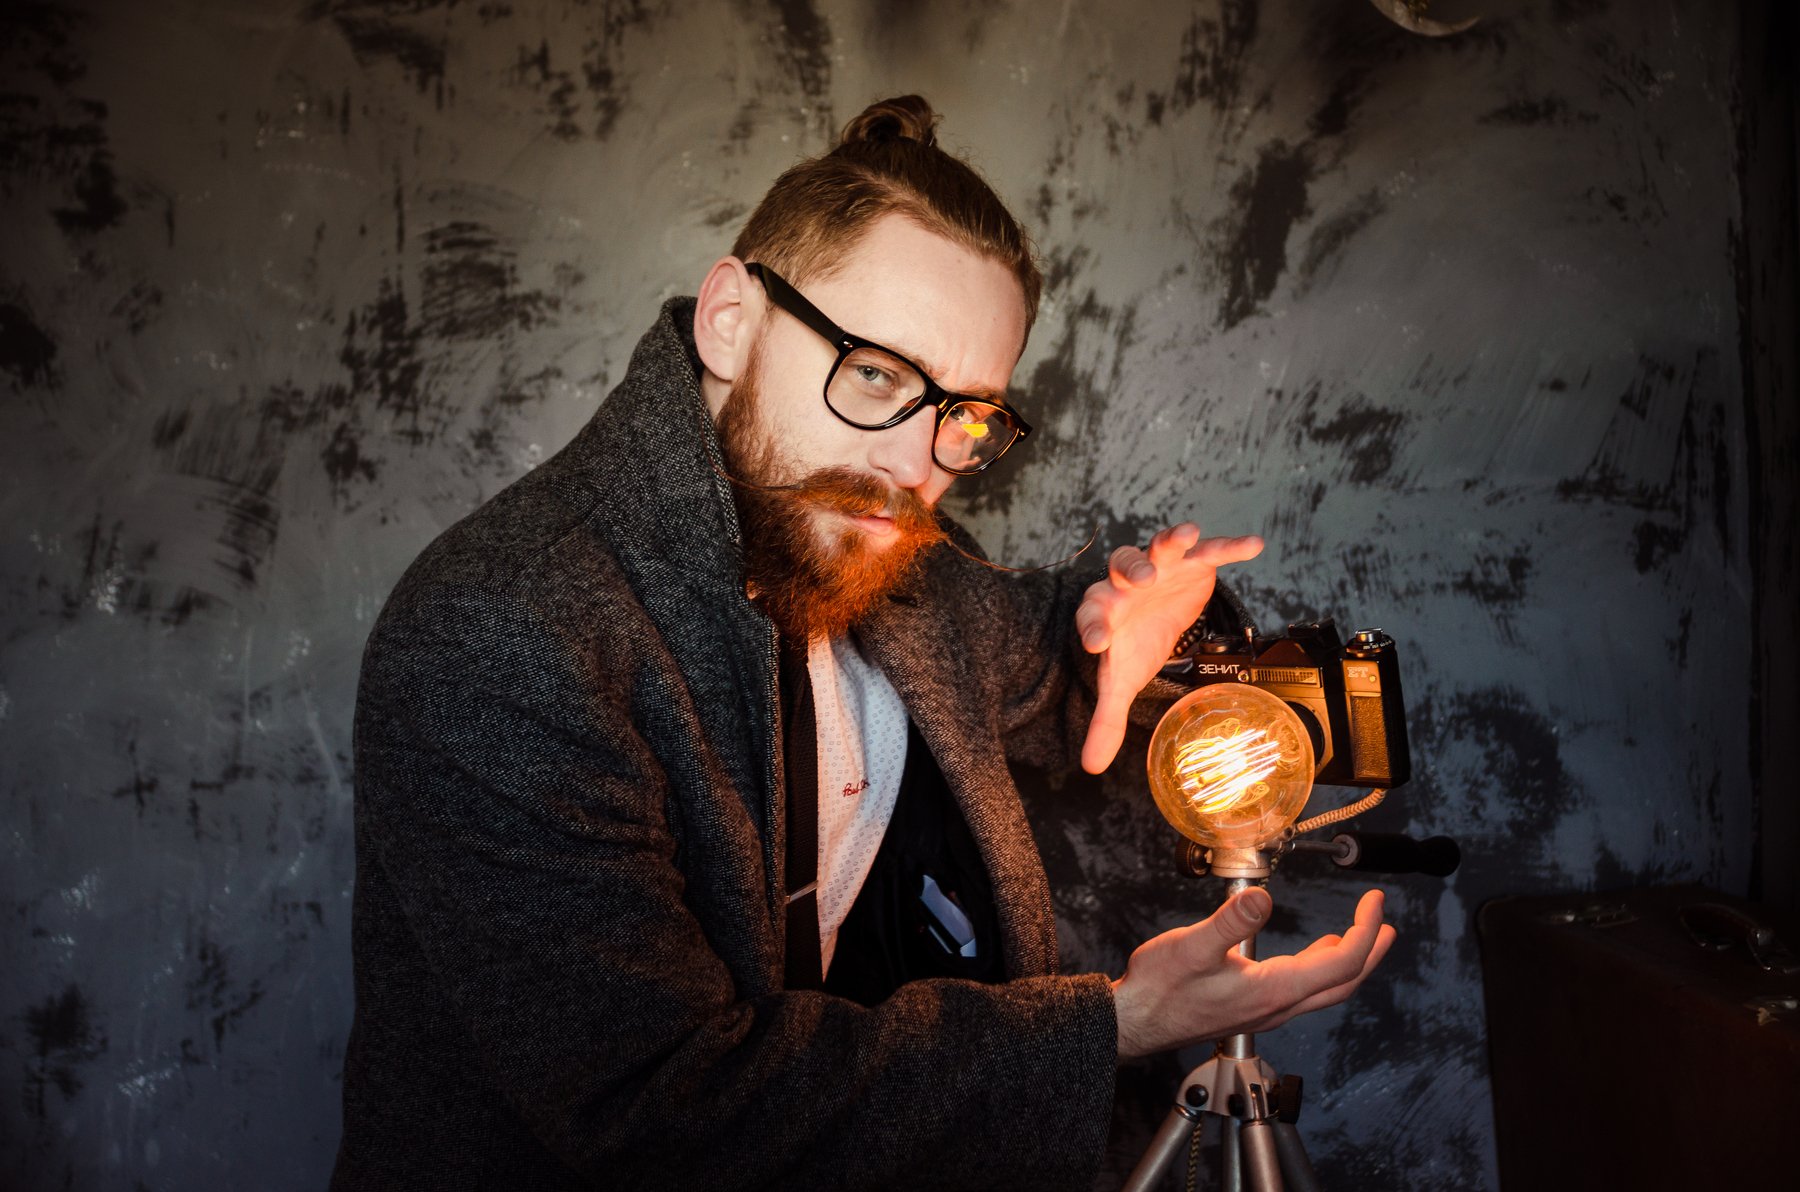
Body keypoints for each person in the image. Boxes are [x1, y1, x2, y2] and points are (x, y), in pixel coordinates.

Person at [331, 95, 1394, 1192]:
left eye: (965, 416)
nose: (916, 466)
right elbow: (659, 1107)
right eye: (878, 374)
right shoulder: (505, 629)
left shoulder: (876, 544)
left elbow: (1059, 639)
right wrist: (1113, 1025)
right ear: (729, 320)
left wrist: (1159, 631)